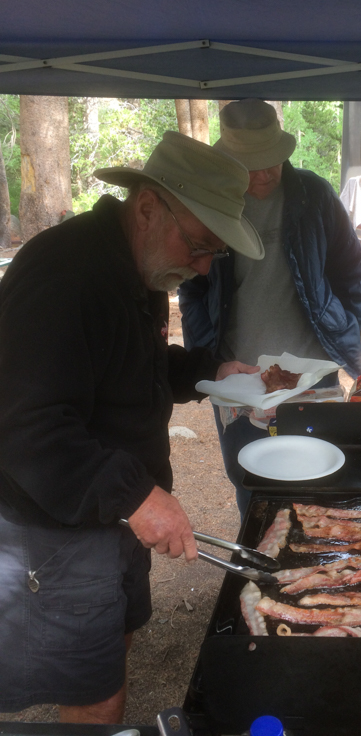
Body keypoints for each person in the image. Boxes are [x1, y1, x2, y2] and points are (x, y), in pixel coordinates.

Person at [0, 131, 264, 723]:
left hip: (110, 505)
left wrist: (211, 371)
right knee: (93, 692)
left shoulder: (135, 264)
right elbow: (25, 426)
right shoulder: (61, 275)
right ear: (147, 207)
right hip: (57, 521)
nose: (201, 268)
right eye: (198, 245)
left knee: (111, 645)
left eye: (213, 255)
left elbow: (128, 370)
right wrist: (138, 497)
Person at [179, 99, 361, 514]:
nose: (265, 173)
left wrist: (346, 327)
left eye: (273, 161)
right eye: (252, 164)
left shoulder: (313, 195)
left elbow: (350, 270)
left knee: (319, 479)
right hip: (239, 377)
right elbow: (192, 287)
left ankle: (313, 566)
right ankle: (258, 572)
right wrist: (207, 353)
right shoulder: (212, 203)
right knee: (250, 479)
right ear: (228, 159)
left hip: (313, 373)